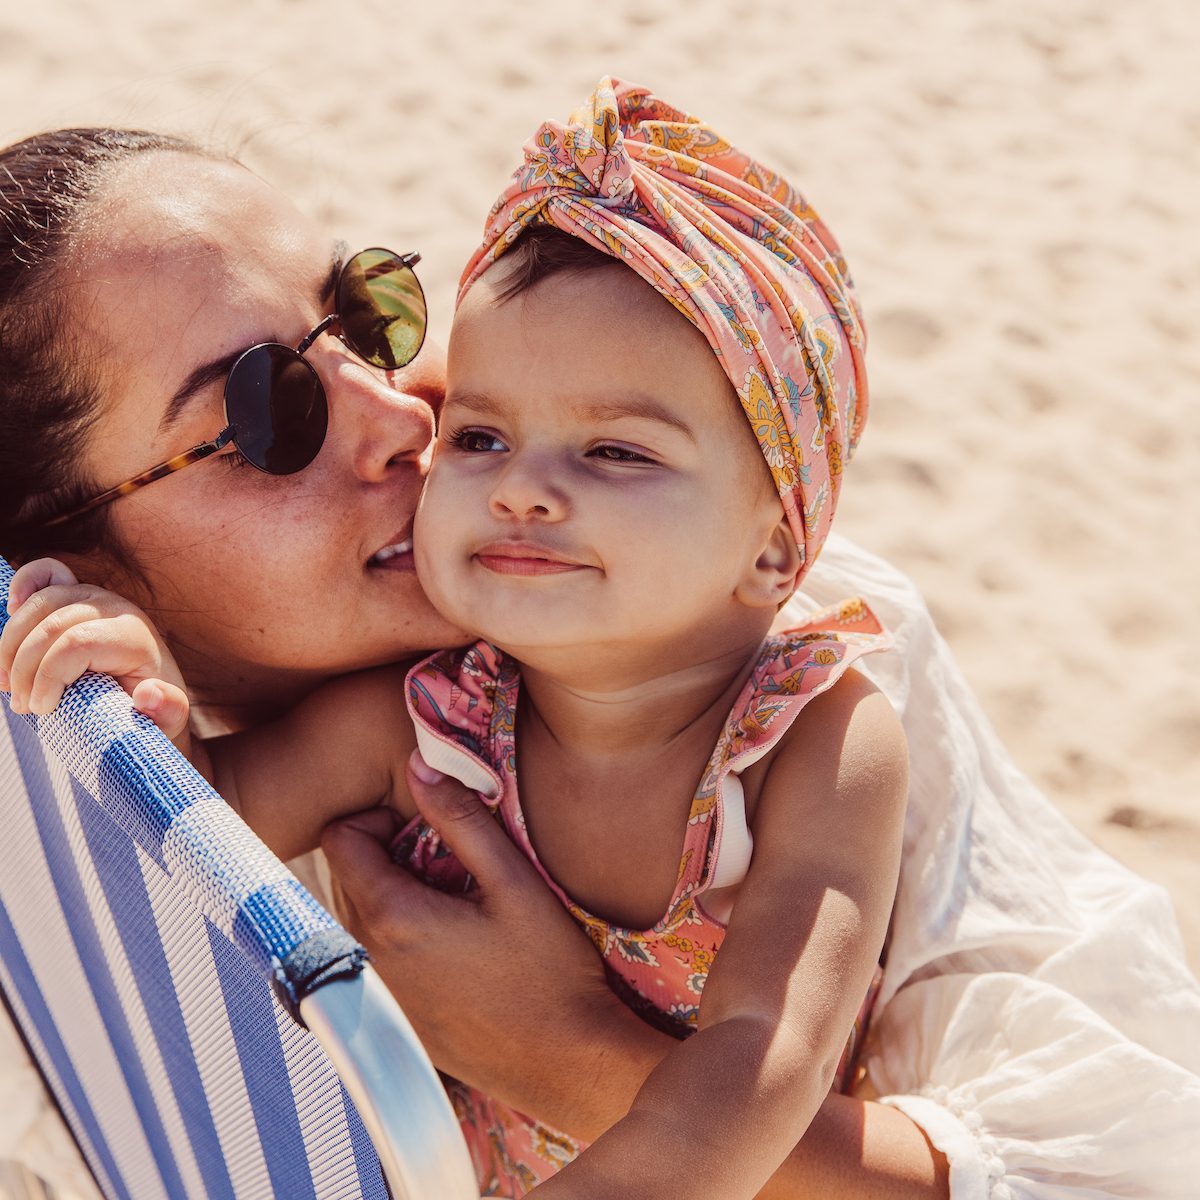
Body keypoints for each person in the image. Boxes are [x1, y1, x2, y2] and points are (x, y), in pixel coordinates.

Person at [0, 106, 1196, 1199]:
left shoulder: (801, 688)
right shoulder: (415, 722)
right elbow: (197, 829)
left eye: (366, 318)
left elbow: (1114, 1157)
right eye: (269, 411)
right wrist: (141, 732)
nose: (401, 413)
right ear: (87, 559)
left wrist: (565, 1053)